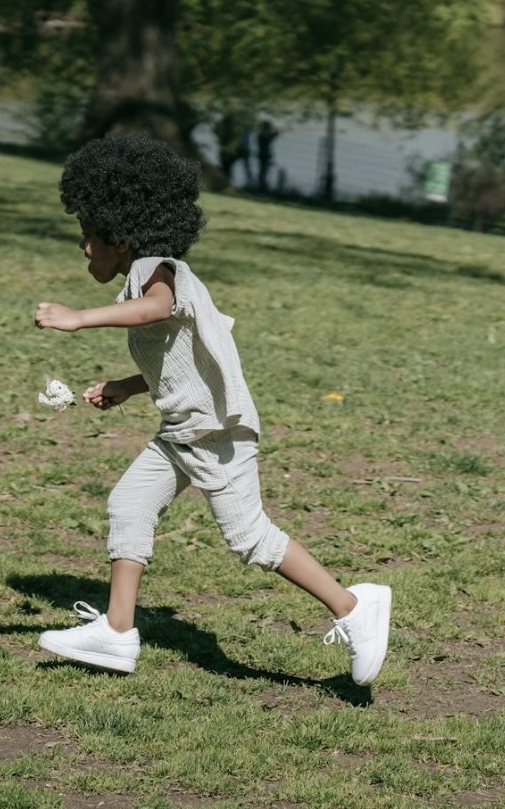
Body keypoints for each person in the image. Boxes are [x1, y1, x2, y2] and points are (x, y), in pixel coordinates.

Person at [31, 135, 392, 685]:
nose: (83, 248)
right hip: (183, 429)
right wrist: (130, 386)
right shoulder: (146, 269)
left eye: (87, 235)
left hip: (214, 433)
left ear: (120, 235)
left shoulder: (157, 269)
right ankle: (118, 632)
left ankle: (352, 607)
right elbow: (182, 359)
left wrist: (79, 318)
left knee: (250, 537)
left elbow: (159, 306)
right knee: (129, 504)